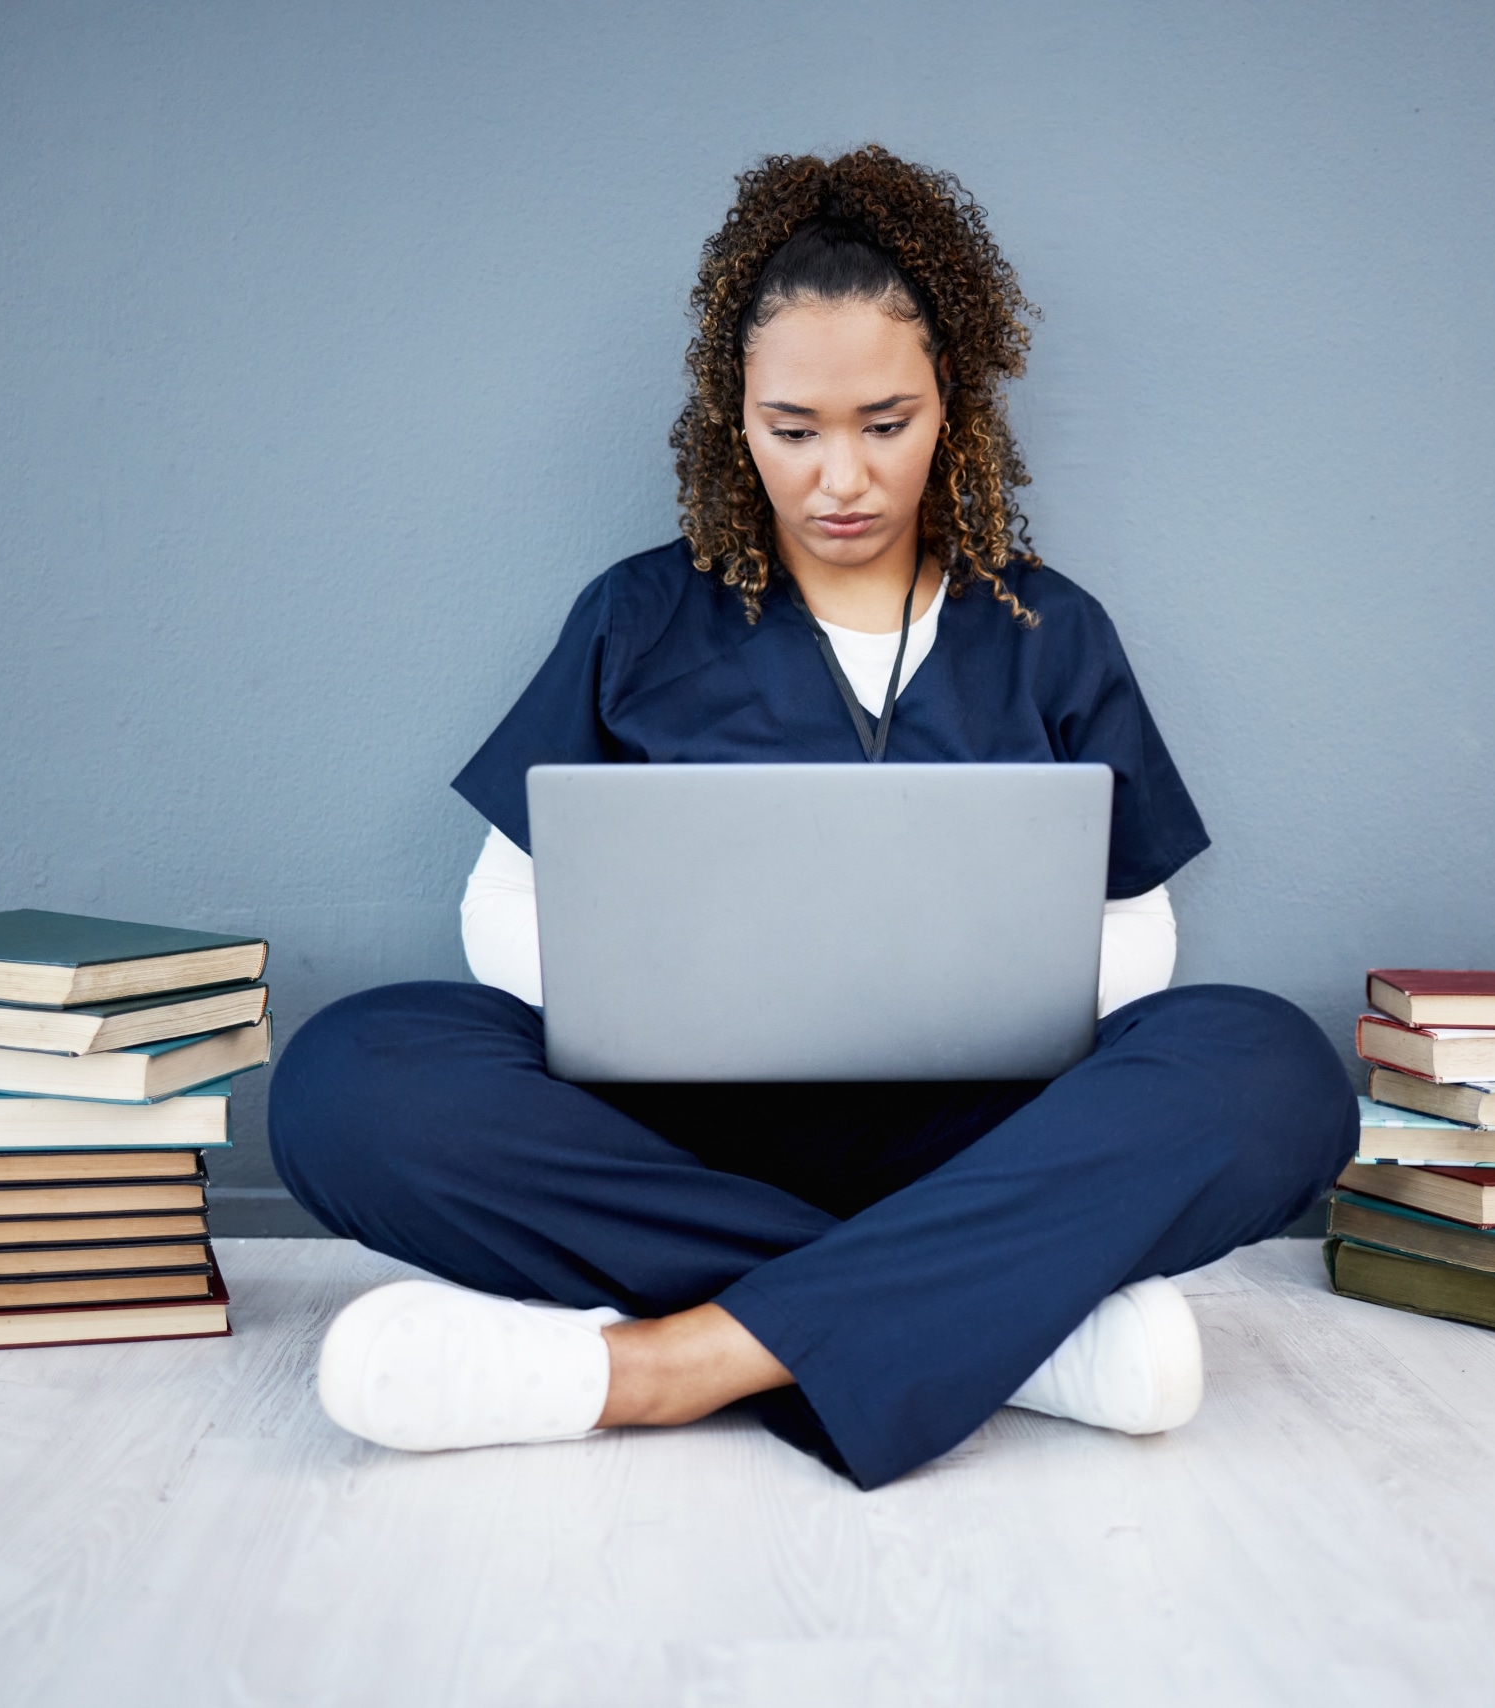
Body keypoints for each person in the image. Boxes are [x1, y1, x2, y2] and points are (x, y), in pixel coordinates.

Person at [267, 146, 1356, 1490]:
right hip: (674, 1139)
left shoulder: (1048, 631)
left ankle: (667, 1363)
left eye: (884, 424)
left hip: (979, 1138)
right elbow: (498, 910)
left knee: (1269, 1070)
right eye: (795, 430)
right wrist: (678, 1000)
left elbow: (1141, 937)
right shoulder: (639, 617)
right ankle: (1002, 1329)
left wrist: (974, 995)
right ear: (737, 416)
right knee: (347, 1081)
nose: (841, 477)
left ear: (951, 404)